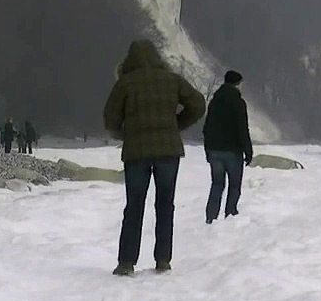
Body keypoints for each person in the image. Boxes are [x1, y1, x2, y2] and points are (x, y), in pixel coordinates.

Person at [103, 39, 206, 276]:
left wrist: (125, 133)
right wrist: (177, 125)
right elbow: (198, 105)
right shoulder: (172, 80)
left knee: (134, 206)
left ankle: (127, 262)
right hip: (168, 151)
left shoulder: (125, 84)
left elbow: (110, 118)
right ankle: (163, 260)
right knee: (165, 204)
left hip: (136, 152)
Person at [202, 70, 254, 223]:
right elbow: (242, 129)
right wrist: (248, 151)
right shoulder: (238, 103)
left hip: (215, 150)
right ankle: (230, 215)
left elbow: (206, 128)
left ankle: (210, 217)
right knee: (234, 185)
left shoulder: (214, 102)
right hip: (233, 151)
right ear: (237, 84)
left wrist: (208, 149)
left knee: (217, 184)